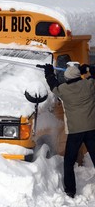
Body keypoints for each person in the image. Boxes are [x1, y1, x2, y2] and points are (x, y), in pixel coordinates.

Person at [43, 63, 95, 198]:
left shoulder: (64, 90)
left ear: (67, 79)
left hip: (75, 131)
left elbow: (52, 84)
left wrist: (48, 72)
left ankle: (70, 190)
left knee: (69, 161)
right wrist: (86, 69)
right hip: (91, 129)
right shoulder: (89, 85)